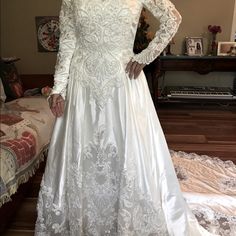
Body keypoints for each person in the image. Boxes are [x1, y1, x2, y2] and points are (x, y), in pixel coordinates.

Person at [35, 0, 217, 235]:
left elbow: (173, 18)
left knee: (126, 151)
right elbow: (68, 42)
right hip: (82, 83)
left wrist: (145, 56)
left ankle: (127, 215)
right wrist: (58, 88)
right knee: (84, 152)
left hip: (121, 82)